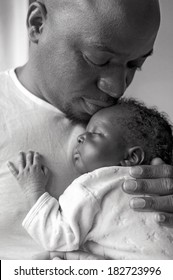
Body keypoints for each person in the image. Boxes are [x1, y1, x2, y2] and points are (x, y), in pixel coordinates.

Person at [0, 0, 173, 260]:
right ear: (37, 24)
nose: (116, 88)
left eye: (134, 65)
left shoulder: (137, 129)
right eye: (99, 60)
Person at [8, 98, 173, 259]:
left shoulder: (94, 184)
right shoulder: (159, 189)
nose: (80, 137)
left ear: (131, 157)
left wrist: (34, 190)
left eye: (95, 133)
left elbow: (58, 238)